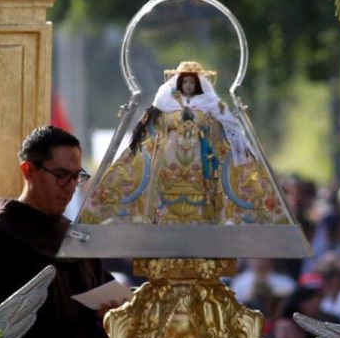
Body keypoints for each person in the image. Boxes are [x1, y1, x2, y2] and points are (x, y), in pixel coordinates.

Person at [0, 125, 112, 338]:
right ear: (29, 170)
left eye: (77, 177)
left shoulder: (76, 239)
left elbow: (104, 313)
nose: (71, 187)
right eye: (61, 176)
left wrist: (112, 317)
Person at [84, 61, 285, 225]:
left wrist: (205, 126)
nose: (188, 85)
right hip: (168, 169)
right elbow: (155, 128)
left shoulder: (211, 105)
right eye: (185, 82)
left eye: (192, 82)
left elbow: (225, 129)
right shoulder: (165, 104)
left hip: (202, 170)